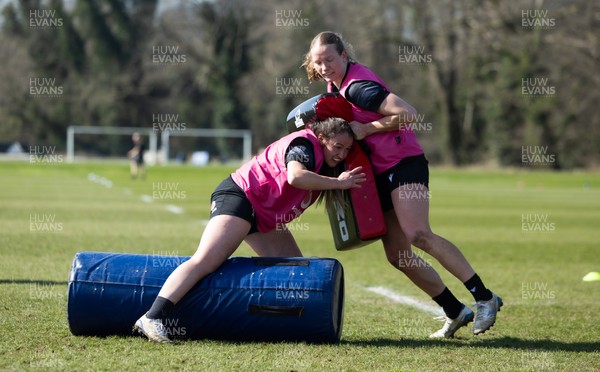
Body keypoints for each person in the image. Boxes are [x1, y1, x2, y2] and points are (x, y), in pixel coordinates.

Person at [303, 31, 502, 338]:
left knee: (419, 234)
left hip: (403, 162)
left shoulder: (359, 88)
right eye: (318, 62)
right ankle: (455, 311)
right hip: (378, 172)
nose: (325, 66)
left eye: (330, 59)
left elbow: (408, 114)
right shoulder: (334, 86)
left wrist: (366, 128)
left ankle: (484, 297)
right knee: (398, 255)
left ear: (344, 56)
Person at [134, 117, 366, 343]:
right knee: (206, 260)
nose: (342, 154)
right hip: (241, 197)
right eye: (337, 146)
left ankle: (287, 328)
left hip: (263, 215)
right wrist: (338, 182)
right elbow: (295, 176)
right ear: (322, 137)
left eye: (347, 149)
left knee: (294, 270)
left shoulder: (324, 161)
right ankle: (152, 317)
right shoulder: (304, 146)